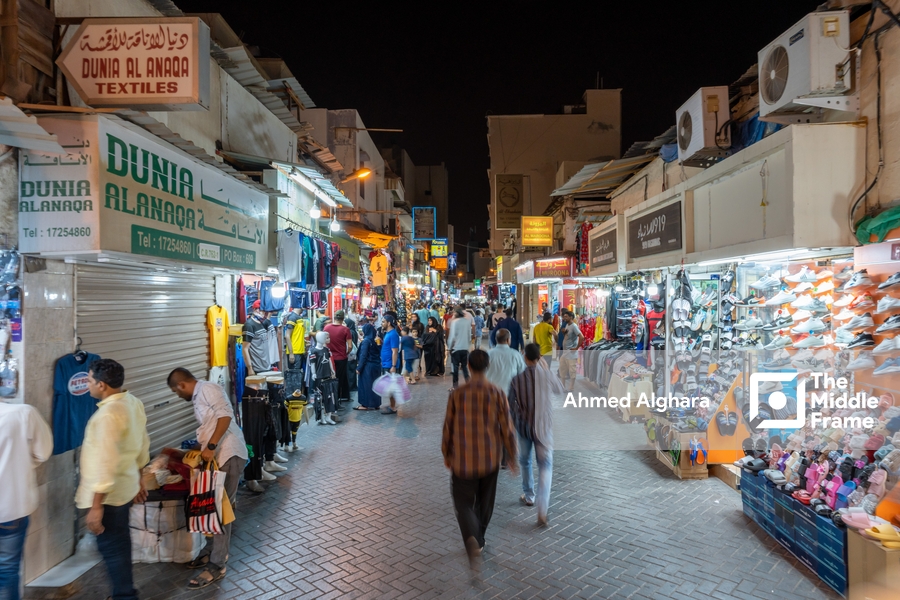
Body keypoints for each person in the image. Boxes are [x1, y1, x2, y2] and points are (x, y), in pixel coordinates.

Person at [167, 368, 248, 588]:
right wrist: (196, 447)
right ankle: (211, 552)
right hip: (219, 456)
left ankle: (217, 565)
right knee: (215, 507)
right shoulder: (200, 394)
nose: (178, 395)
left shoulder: (208, 389)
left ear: (181, 385)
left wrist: (211, 446)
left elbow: (225, 416)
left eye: (176, 392)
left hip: (229, 454)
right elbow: (212, 424)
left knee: (221, 510)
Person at [77, 359, 150, 600]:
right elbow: (142, 445)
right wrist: (140, 479)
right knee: (119, 543)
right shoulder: (133, 402)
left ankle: (125, 595)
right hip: (125, 487)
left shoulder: (107, 415)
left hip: (109, 496)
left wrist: (96, 506)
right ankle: (124, 592)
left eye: (89, 381)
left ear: (102, 385)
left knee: (112, 547)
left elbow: (105, 462)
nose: (87, 384)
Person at [441, 350, 518, 568]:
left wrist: (446, 452)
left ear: (468, 365)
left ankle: (471, 537)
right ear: (488, 366)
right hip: (490, 458)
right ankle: (480, 537)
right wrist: (511, 456)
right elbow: (507, 428)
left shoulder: (458, 393)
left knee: (463, 503)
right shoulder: (497, 392)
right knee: (485, 503)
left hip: (463, 459)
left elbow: (448, 426)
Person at [0, 398, 52, 600]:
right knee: (6, 571)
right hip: (11, 509)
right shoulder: (24, 414)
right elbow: (42, 452)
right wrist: (19, 464)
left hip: (12, 509)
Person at [509, 344, 563, 526]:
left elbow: (510, 405)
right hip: (543, 429)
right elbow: (560, 389)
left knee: (525, 461)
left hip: (524, 427)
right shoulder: (546, 375)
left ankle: (529, 495)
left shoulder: (516, 380)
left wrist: (517, 416)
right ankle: (542, 509)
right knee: (545, 466)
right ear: (539, 357)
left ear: (524, 358)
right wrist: (547, 370)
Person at [486, 329, 526, 396]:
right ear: (508, 340)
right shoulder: (515, 354)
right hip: (509, 395)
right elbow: (522, 374)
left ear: (496, 339)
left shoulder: (488, 354)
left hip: (490, 393)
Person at [324, 311, 353, 404]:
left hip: (329, 358)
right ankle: (337, 399)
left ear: (334, 318)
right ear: (343, 319)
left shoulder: (326, 327)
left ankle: (329, 399)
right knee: (339, 378)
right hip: (341, 358)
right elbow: (350, 346)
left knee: (329, 378)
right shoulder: (346, 330)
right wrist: (346, 352)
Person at [355, 324, 383, 410]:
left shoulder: (366, 341)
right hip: (376, 365)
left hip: (368, 366)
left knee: (366, 385)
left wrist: (359, 368)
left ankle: (365, 404)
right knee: (376, 385)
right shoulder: (376, 340)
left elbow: (363, 355)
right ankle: (376, 404)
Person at [447, 309, 472, 391]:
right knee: (464, 367)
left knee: (455, 368)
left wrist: (449, 347)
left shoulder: (455, 322)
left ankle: (455, 386)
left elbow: (452, 336)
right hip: (465, 348)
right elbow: (469, 335)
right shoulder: (467, 321)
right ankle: (468, 384)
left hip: (456, 348)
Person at [380, 317, 401, 414]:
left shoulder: (393, 334)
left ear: (388, 323)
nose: (382, 323)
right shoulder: (388, 334)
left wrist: (393, 365)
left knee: (392, 386)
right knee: (389, 386)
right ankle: (391, 405)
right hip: (386, 363)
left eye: (383, 322)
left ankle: (393, 407)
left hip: (390, 364)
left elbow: (395, 351)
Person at [559, 310, 584, 391]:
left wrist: (576, 348)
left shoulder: (574, 326)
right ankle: (563, 386)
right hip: (565, 352)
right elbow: (568, 336)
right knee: (562, 369)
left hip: (571, 353)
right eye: (564, 316)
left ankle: (571, 387)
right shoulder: (567, 325)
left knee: (572, 371)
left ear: (571, 317)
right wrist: (564, 332)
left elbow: (581, 337)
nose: (564, 318)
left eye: (566, 316)